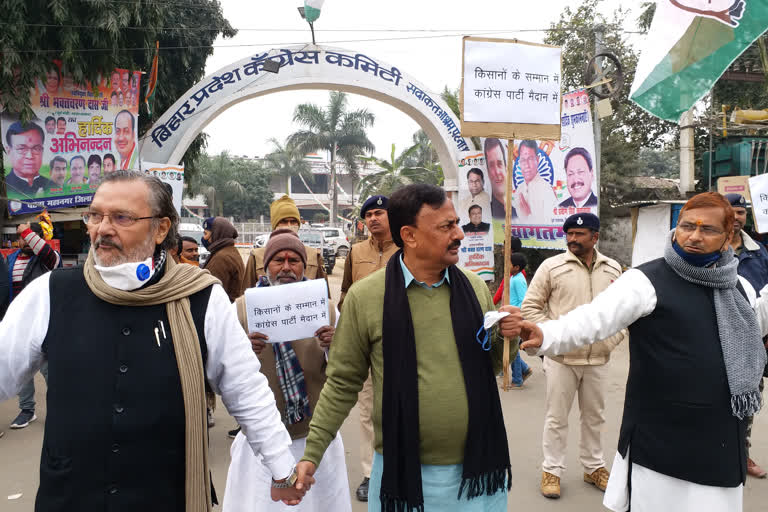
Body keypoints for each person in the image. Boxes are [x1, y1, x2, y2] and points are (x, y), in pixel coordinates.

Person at [0, 170, 306, 510]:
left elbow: (246, 389)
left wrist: (283, 469)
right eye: (95, 216)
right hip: (70, 495)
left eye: (121, 217)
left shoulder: (201, 299)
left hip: (164, 495)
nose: (102, 228)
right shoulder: (50, 293)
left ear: (160, 229)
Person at [519, 192, 768, 512]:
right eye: (687, 226)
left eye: (707, 230)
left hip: (719, 435)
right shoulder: (645, 280)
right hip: (662, 435)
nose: (694, 236)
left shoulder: (736, 286)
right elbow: (591, 320)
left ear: (727, 237)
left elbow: (754, 322)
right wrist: (545, 334)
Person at [295, 184, 522, 511]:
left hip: (476, 474)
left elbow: (492, 368)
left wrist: (507, 339)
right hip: (403, 475)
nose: (459, 233)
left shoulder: (474, 289)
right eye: (446, 226)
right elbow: (343, 382)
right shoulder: (366, 298)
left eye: (456, 223)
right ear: (410, 236)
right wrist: (312, 454)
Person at [225, 229, 350, 512]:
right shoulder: (242, 311)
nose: (286, 267)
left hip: (314, 437)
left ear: (304, 267)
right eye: (278, 260)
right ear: (265, 265)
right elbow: (223, 372)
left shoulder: (326, 311)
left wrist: (334, 346)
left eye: (294, 260)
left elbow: (345, 373)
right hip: (260, 440)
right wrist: (244, 351)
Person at [522, 213, 624, 499]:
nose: (572, 239)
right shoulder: (552, 267)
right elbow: (531, 308)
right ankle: (551, 470)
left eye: (580, 234)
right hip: (561, 361)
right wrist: (553, 340)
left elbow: (621, 314)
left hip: (598, 361)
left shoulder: (612, 269)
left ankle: (594, 467)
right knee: (557, 418)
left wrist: (611, 340)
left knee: (595, 417)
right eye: (569, 233)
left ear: (595, 236)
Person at [338, 194, 398, 503]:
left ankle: (400, 468)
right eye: (369, 214)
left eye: (379, 213)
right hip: (364, 344)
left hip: (401, 343)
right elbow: (346, 290)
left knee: (401, 407)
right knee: (367, 411)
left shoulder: (406, 249)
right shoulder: (356, 251)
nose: (373, 218)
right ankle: (370, 473)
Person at [726, 193, 768, 479]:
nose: (737, 217)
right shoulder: (711, 247)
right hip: (717, 332)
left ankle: (742, 453)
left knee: (748, 396)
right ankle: (715, 451)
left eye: (741, 212)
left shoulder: (760, 252)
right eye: (732, 212)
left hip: (755, 337)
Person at [6, 222, 61, 429]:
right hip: (20, 324)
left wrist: (27, 230)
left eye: (30, 237)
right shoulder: (10, 259)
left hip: (44, 323)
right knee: (22, 369)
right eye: (22, 237)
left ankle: (59, 410)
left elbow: (48, 255)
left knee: (50, 371)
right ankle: (27, 410)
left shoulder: (49, 258)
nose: (25, 240)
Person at [243, 195, 326, 288]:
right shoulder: (256, 256)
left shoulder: (314, 255)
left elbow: (323, 295)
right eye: (283, 221)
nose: (289, 225)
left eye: (293, 221)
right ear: (275, 225)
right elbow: (247, 294)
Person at [201, 217, 244, 302]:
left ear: (216, 234)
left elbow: (211, 293)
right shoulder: (229, 251)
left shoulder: (221, 258)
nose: (204, 238)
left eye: (206, 234)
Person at [3, 121, 52, 197]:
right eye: (21, 148)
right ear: (9, 151)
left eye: (36, 148)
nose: (29, 156)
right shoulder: (4, 187)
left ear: (42, 150)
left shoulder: (52, 186)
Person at [515, 140, 557, 222]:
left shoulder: (546, 190)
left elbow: (551, 225)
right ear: (519, 162)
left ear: (537, 160)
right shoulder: (519, 190)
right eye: (523, 160)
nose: (526, 165)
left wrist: (528, 215)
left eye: (530, 159)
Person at [507, 252, 532, 389]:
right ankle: (525, 369)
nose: (507, 266)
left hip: (516, 318)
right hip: (509, 316)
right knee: (512, 348)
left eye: (509, 264)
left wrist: (520, 318)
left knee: (513, 349)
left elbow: (524, 301)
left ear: (516, 267)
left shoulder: (518, 280)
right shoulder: (513, 277)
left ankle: (517, 379)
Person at [485, 138, 517, 219]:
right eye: (491, 166)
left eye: (499, 164)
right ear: (487, 172)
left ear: (506, 168)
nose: (497, 172)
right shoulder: (486, 214)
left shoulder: (519, 211)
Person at [492, 236, 526, 305]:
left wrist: (492, 304)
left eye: (504, 248)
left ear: (510, 250)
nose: (502, 250)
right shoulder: (513, 271)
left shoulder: (517, 273)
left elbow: (522, 299)